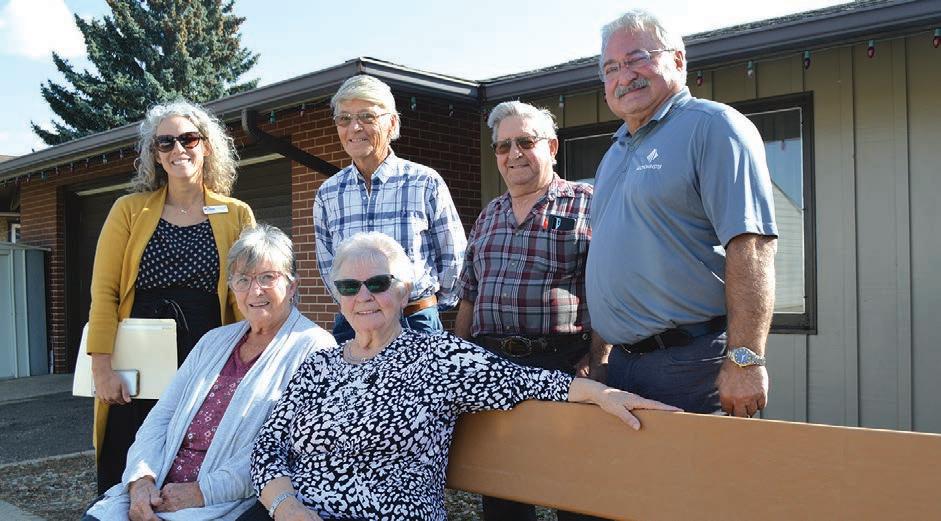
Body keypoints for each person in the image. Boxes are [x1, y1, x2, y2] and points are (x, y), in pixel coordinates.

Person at [239, 231, 679, 521]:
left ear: (404, 290)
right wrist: (286, 507)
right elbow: (268, 445)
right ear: (339, 298)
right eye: (350, 287)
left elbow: (525, 381)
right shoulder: (320, 365)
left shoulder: (438, 358)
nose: (364, 296)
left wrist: (600, 393)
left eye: (378, 283)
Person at [586, 9, 778, 417]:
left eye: (637, 59)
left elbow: (752, 245)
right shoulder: (614, 152)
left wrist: (746, 360)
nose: (624, 76)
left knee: (691, 463)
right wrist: (600, 356)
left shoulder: (713, 127)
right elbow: (609, 262)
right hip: (621, 365)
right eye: (611, 68)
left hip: (688, 364)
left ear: (677, 60)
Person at [83, 224, 337, 521]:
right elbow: (161, 417)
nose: (255, 290)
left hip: (225, 502)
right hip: (158, 491)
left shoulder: (315, 348)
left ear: (292, 285)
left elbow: (284, 449)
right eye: (243, 279)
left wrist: (202, 492)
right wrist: (140, 481)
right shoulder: (213, 341)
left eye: (268, 277)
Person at [86, 99, 256, 493]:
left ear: (206, 146)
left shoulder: (236, 213)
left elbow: (246, 296)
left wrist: (249, 363)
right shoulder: (128, 210)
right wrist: (102, 369)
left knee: (193, 454)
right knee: (126, 455)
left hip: (207, 350)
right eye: (166, 142)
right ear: (156, 154)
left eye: (188, 139)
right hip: (137, 354)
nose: (178, 148)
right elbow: (105, 292)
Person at [455, 101, 601, 521]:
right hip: (492, 367)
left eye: (525, 141)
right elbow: (469, 294)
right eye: (503, 146)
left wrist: (598, 358)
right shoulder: (489, 214)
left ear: (551, 147)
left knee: (576, 491)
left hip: (563, 363)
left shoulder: (587, 204)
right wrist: (459, 361)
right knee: (503, 491)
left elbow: (608, 291)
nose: (513, 153)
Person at [313, 74, 467, 344]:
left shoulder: (424, 182)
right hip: (353, 327)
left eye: (367, 117)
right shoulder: (328, 194)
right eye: (344, 119)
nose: (354, 127)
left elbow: (455, 261)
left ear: (392, 122)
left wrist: (423, 305)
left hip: (415, 321)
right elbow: (330, 269)